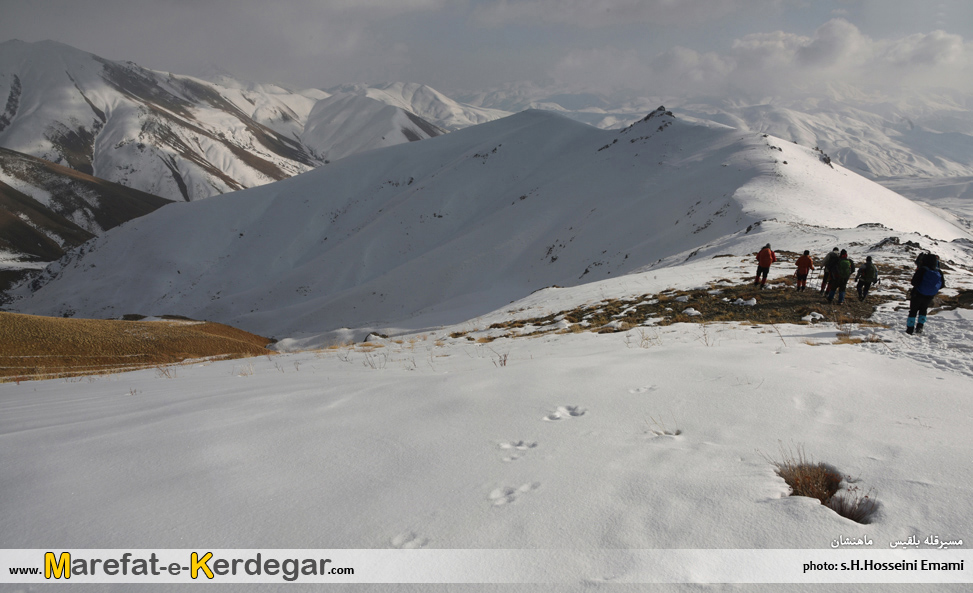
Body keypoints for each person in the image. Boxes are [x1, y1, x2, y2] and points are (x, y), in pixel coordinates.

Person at [907, 253, 945, 335]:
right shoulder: (938, 271)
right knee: (923, 310)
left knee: (913, 311)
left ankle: (910, 329)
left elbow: (914, 282)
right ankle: (920, 327)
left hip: (917, 294)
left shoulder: (922, 269)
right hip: (929, 296)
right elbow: (942, 285)